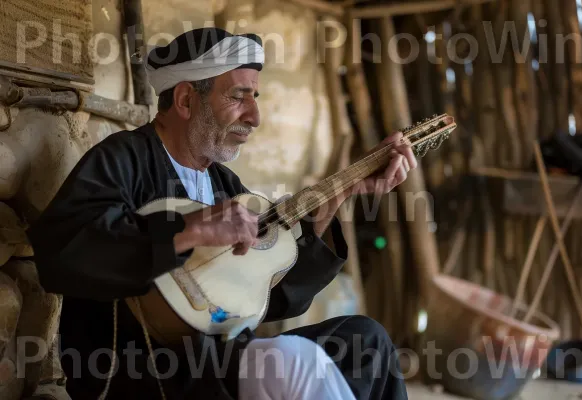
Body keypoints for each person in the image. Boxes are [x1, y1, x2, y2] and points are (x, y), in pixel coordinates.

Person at [27, 28, 416, 400]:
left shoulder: (225, 184)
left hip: (221, 360)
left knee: (366, 343)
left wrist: (345, 190)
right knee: (297, 364)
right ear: (185, 100)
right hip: (143, 371)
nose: (254, 117)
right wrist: (189, 230)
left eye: (255, 97)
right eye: (238, 97)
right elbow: (63, 250)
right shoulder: (122, 160)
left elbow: (275, 292)